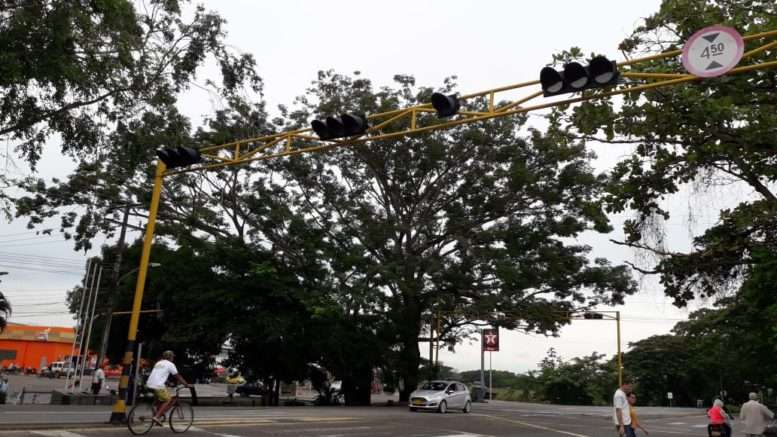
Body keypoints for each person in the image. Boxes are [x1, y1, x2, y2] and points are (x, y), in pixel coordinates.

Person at [146, 350, 190, 426]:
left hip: (149, 384)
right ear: (170, 357)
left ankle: (158, 415)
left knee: (160, 400)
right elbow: (177, 376)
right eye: (173, 356)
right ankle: (156, 417)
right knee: (168, 399)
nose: (173, 358)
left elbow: (159, 374)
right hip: (158, 385)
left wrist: (168, 383)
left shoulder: (158, 363)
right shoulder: (170, 364)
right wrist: (186, 384)